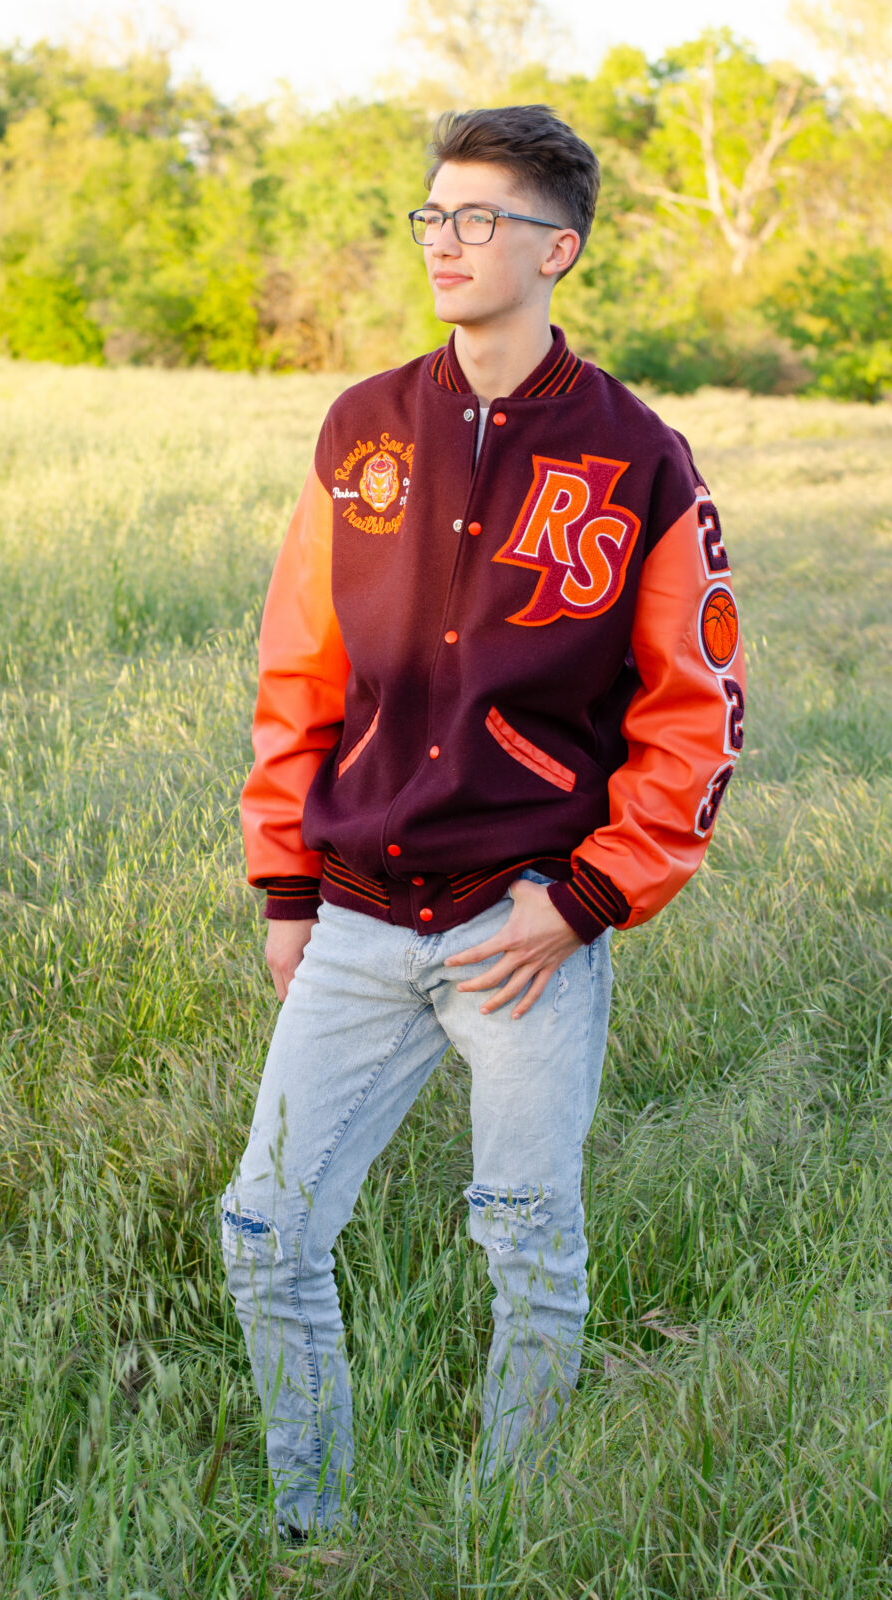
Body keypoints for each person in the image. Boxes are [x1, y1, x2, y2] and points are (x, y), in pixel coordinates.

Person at [220, 103, 744, 1541]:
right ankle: (309, 1529)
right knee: (265, 1232)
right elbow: (299, 668)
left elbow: (695, 710)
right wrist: (284, 886)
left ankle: (501, 1532)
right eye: (431, 218)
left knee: (525, 1244)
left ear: (556, 249)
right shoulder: (361, 429)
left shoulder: (636, 453)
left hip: (523, 930)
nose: (447, 245)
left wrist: (584, 900)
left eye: (481, 221)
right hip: (358, 914)